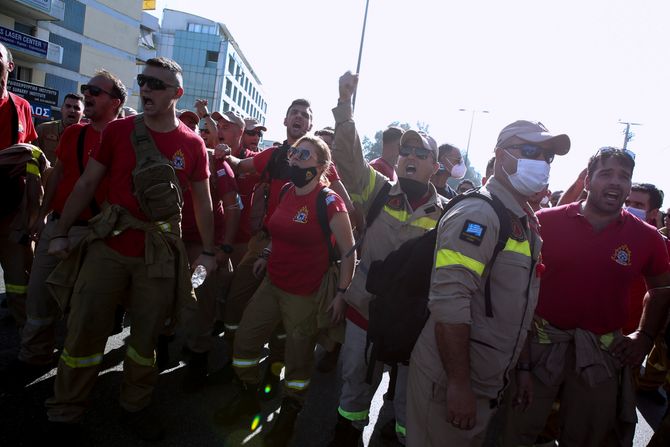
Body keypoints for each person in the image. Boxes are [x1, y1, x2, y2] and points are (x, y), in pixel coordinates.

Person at [44, 57, 216, 441]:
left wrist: (208, 250)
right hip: (109, 246)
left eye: (157, 84)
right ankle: (65, 409)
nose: (147, 88)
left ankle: (135, 405)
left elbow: (202, 204)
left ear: (177, 93)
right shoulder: (119, 131)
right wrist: (60, 230)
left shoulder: (193, 145)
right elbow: (87, 184)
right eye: (143, 81)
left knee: (144, 340)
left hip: (156, 254)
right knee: (84, 330)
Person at [407, 120, 570, 447]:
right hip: (452, 383)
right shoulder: (479, 214)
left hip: (485, 382)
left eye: (547, 156)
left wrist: (521, 369)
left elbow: (517, 305)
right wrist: (458, 385)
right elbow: (449, 302)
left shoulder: (522, 220)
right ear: (500, 155)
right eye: (529, 151)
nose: (541, 162)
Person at [500, 147, 670, 447]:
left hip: (601, 354)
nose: (616, 182)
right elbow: (515, 287)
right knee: (516, 431)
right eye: (606, 174)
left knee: (589, 437)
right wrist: (522, 363)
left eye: (624, 177)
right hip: (539, 350)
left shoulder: (648, 238)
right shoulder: (544, 222)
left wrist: (644, 335)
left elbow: (661, 290)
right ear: (587, 181)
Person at [329, 71, 449, 446]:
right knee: (354, 377)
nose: (411, 157)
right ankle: (348, 432)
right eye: (406, 151)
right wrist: (345, 106)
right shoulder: (377, 190)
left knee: (407, 393)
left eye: (421, 153)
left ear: (435, 167)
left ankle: (395, 436)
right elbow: (348, 160)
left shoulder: (449, 213)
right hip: (366, 310)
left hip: (414, 322)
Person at [217, 134, 356, 446]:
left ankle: (290, 412)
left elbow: (349, 251)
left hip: (304, 295)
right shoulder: (288, 192)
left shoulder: (330, 202)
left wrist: (342, 293)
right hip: (272, 284)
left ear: (321, 167)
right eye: (294, 153)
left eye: (304, 155)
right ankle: (249, 397)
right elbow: (279, 232)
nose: (294, 159)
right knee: (246, 342)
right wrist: (266, 256)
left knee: (298, 364)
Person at [7, 71, 125, 384]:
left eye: (96, 91)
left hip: (96, 234)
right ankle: (34, 356)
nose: (87, 95)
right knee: (39, 296)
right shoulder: (74, 134)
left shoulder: (126, 140)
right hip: (57, 226)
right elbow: (58, 175)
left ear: (116, 102)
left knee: (82, 308)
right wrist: (42, 217)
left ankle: (71, 376)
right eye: (87, 89)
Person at [0, 43, 39, 331]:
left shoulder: (21, 106)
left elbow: (32, 154)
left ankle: (26, 341)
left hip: (11, 208)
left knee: (18, 279)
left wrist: (32, 208)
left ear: (9, 66)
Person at [36, 93, 84, 164]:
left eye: (77, 108)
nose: (72, 110)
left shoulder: (86, 136)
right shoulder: (43, 129)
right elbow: (32, 158)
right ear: (61, 109)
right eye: (68, 106)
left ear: (83, 113)